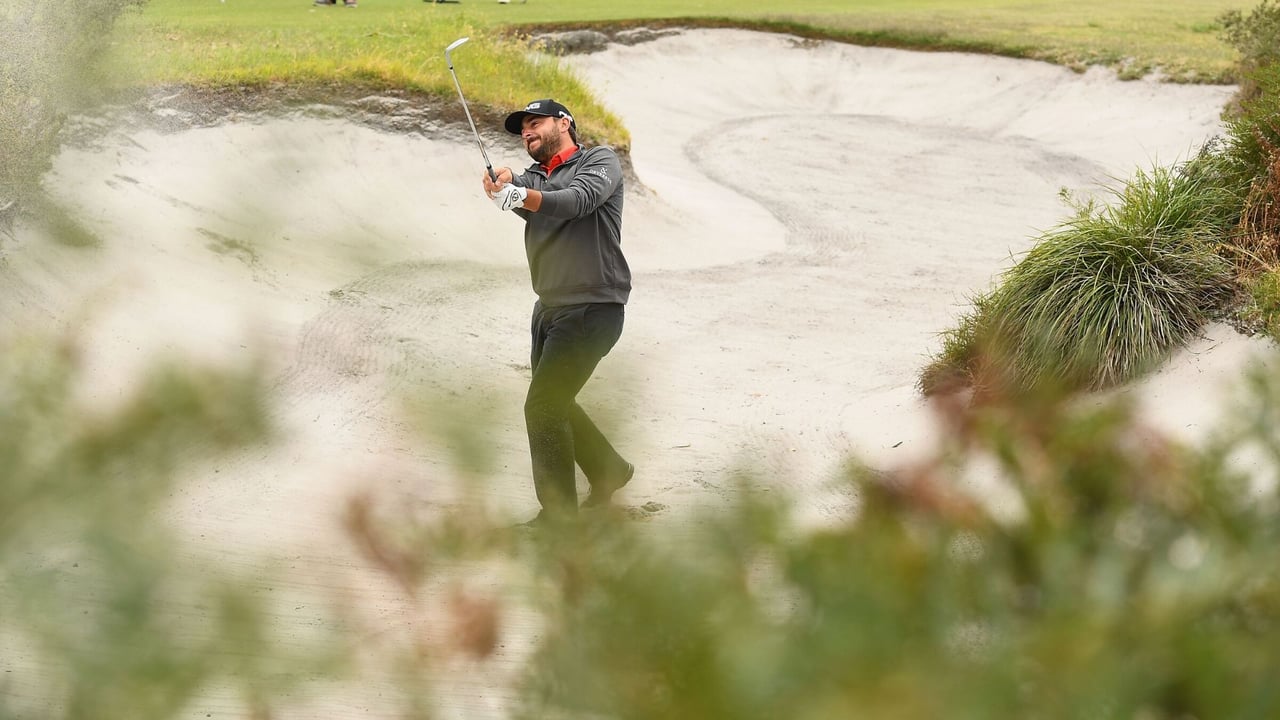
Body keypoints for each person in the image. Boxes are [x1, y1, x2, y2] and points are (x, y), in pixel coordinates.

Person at [482, 99, 633, 525]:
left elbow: (576, 200)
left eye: (535, 123)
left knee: (543, 407)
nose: (526, 132)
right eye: (521, 129)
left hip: (594, 306)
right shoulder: (538, 177)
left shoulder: (599, 162)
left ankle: (560, 518)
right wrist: (505, 184)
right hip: (548, 308)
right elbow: (529, 187)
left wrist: (521, 192)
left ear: (563, 123)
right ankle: (608, 470)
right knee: (557, 403)